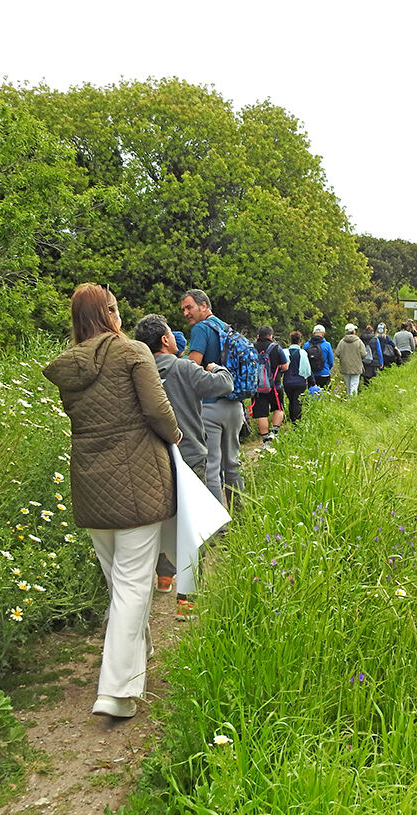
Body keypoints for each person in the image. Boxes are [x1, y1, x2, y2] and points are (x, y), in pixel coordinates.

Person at [43, 283, 182, 720]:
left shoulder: (68, 366)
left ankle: (138, 652)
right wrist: (175, 435)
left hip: (90, 482)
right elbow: (157, 410)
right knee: (133, 584)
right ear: (110, 312)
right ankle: (117, 691)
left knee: (118, 581)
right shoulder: (133, 351)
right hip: (137, 478)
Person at [134, 313, 233, 601]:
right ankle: (187, 600)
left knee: (160, 519)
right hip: (189, 456)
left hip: (150, 459)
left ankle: (164, 576)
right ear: (165, 340)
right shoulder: (183, 368)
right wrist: (216, 367)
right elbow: (224, 385)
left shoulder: (136, 372)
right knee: (191, 525)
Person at [181, 289, 243, 509]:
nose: (186, 313)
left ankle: (219, 524)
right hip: (234, 404)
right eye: (184, 309)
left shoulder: (201, 328)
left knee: (212, 467)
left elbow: (191, 368)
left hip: (211, 406)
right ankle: (242, 515)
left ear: (204, 306)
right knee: (233, 463)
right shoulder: (225, 327)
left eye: (189, 307)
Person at [252, 325, 288, 444]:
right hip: (274, 385)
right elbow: (285, 366)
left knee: (261, 414)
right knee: (278, 408)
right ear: (271, 336)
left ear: (258, 336)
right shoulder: (276, 348)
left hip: (258, 387)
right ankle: (274, 433)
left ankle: (265, 441)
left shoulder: (252, 348)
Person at [282, 330, 313, 423]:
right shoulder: (303, 353)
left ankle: (291, 419)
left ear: (290, 341)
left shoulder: (284, 352)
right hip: (300, 382)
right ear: (301, 341)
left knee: (291, 401)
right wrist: (311, 382)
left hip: (287, 381)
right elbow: (308, 369)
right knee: (297, 402)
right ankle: (297, 422)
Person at [336, 323, 366, 397]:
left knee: (348, 385)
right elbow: (364, 354)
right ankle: (352, 400)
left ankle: (349, 398)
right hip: (356, 367)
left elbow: (337, 353)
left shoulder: (342, 342)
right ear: (354, 331)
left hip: (345, 367)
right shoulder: (359, 341)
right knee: (354, 385)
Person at [303, 324, 334, 389]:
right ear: (323, 334)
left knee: (311, 393)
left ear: (313, 333)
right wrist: (327, 368)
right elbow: (331, 361)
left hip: (311, 375)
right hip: (324, 374)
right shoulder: (327, 345)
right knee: (325, 393)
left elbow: (304, 361)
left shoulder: (306, 345)